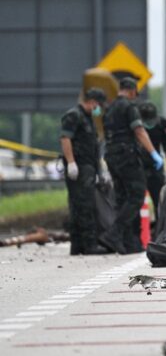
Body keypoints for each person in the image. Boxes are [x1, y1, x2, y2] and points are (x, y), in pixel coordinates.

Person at [100, 77, 164, 254]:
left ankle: (129, 243)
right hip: (126, 155)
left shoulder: (109, 108)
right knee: (136, 194)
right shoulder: (129, 107)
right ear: (132, 90)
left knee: (122, 197)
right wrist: (153, 153)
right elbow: (139, 130)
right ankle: (114, 233)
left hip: (111, 156)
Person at [60, 88, 108, 255]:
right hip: (78, 167)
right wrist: (71, 163)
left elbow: (93, 147)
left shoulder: (87, 119)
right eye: (99, 105)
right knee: (84, 206)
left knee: (81, 205)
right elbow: (66, 138)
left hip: (87, 167)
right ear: (93, 101)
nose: (99, 109)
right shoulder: (74, 115)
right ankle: (88, 245)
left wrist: (98, 172)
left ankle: (78, 246)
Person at [138, 101, 166, 223]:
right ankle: (133, 235)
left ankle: (162, 232)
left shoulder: (162, 123)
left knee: (160, 202)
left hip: (155, 167)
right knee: (134, 202)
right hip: (137, 167)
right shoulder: (134, 124)